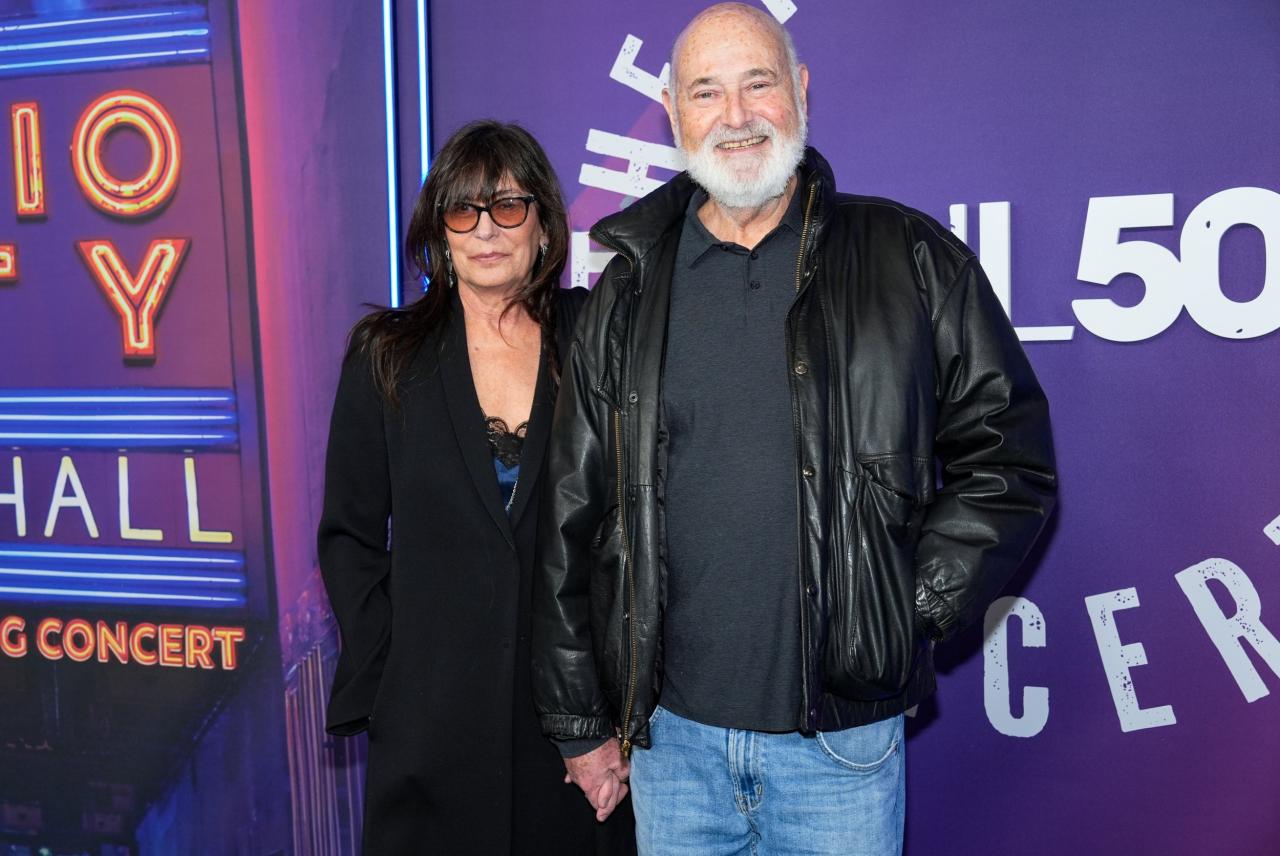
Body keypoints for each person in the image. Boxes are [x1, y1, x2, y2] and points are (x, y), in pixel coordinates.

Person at [532, 4, 1058, 854]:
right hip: (672, 753)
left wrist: (908, 607)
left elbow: (1011, 456)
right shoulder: (626, 291)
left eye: (758, 83)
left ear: (801, 90)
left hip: (838, 755)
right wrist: (578, 718)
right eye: (707, 92)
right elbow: (571, 511)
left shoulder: (908, 257)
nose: (736, 116)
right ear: (672, 111)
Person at [318, 121, 634, 854]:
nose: (486, 229)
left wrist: (615, 698)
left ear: (545, 227)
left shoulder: (594, 339)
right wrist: (394, 676)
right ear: (440, 230)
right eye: (463, 209)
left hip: (574, 722)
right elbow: (349, 536)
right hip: (431, 721)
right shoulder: (388, 355)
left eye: (508, 206)